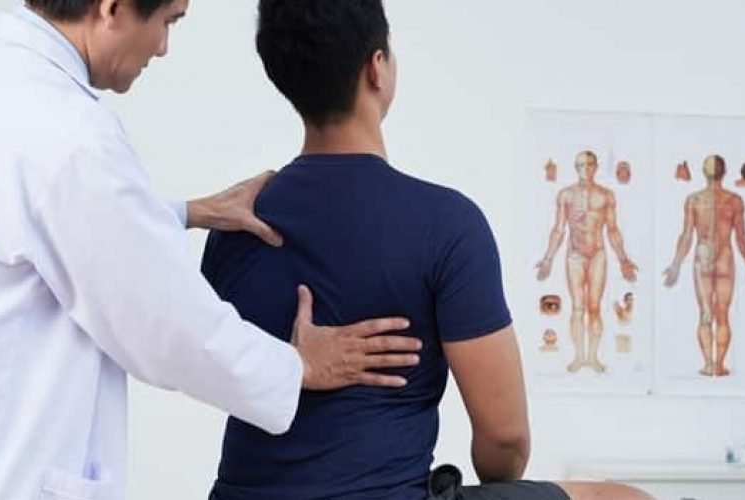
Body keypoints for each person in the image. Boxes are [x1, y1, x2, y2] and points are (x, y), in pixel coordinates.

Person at [0, 1, 422, 498]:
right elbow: (167, 327)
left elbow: (7, 223)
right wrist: (297, 366)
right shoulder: (66, 134)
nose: (162, 48)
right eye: (168, 21)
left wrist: (185, 212)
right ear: (112, 8)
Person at [200, 1, 652, 499]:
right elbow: (504, 437)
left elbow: (209, 365)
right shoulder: (446, 224)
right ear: (377, 68)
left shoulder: (235, 221)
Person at [663, 154, 745, 377]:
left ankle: (710, 365)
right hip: (724, 259)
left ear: (703, 171)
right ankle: (718, 365)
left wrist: (676, 264)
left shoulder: (694, 199)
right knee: (722, 315)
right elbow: (741, 238)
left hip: (703, 258)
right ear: (725, 172)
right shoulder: (733, 200)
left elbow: (687, 236)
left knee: (706, 314)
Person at [536, 151, 639, 374]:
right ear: (576, 167)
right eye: (582, 164)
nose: (586, 168)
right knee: (577, 307)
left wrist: (624, 260)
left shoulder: (606, 195)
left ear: (596, 166)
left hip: (598, 254)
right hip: (574, 254)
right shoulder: (566, 195)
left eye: (590, 164)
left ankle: (592, 358)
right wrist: (548, 259)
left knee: (594, 308)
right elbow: (558, 229)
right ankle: (578, 356)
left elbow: (612, 230)